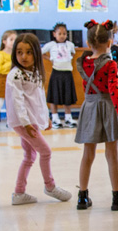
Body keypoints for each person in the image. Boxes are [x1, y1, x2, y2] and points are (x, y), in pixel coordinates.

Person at [5, 33, 72, 205]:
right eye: (19, 52)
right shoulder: (15, 75)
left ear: (36, 53)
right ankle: (50, 186)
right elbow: (17, 101)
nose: (24, 57)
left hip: (31, 120)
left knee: (29, 155)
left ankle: (19, 193)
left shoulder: (35, 72)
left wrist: (46, 117)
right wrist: (26, 124)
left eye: (28, 52)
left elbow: (39, 98)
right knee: (46, 151)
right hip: (23, 122)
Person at [75, 21, 118, 212]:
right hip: (107, 107)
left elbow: (85, 87)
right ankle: (116, 198)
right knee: (111, 154)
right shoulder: (110, 64)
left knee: (87, 154)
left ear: (88, 44)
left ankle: (82, 197)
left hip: (89, 107)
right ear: (110, 42)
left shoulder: (84, 63)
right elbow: (114, 89)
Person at [42, 23, 77, 128]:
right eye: (59, 33)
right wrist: (50, 60)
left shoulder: (70, 45)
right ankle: (55, 117)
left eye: (64, 34)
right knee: (54, 96)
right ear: (54, 34)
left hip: (67, 73)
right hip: (56, 72)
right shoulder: (51, 45)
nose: (62, 36)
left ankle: (68, 117)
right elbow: (41, 53)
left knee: (67, 96)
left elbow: (73, 53)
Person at [0, 30, 17, 129]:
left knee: (12, 102)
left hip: (14, 80)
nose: (13, 41)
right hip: (3, 79)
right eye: (11, 39)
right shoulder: (1, 54)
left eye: (15, 39)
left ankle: (11, 122)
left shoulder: (15, 54)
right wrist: (11, 64)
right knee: (0, 101)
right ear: (4, 41)